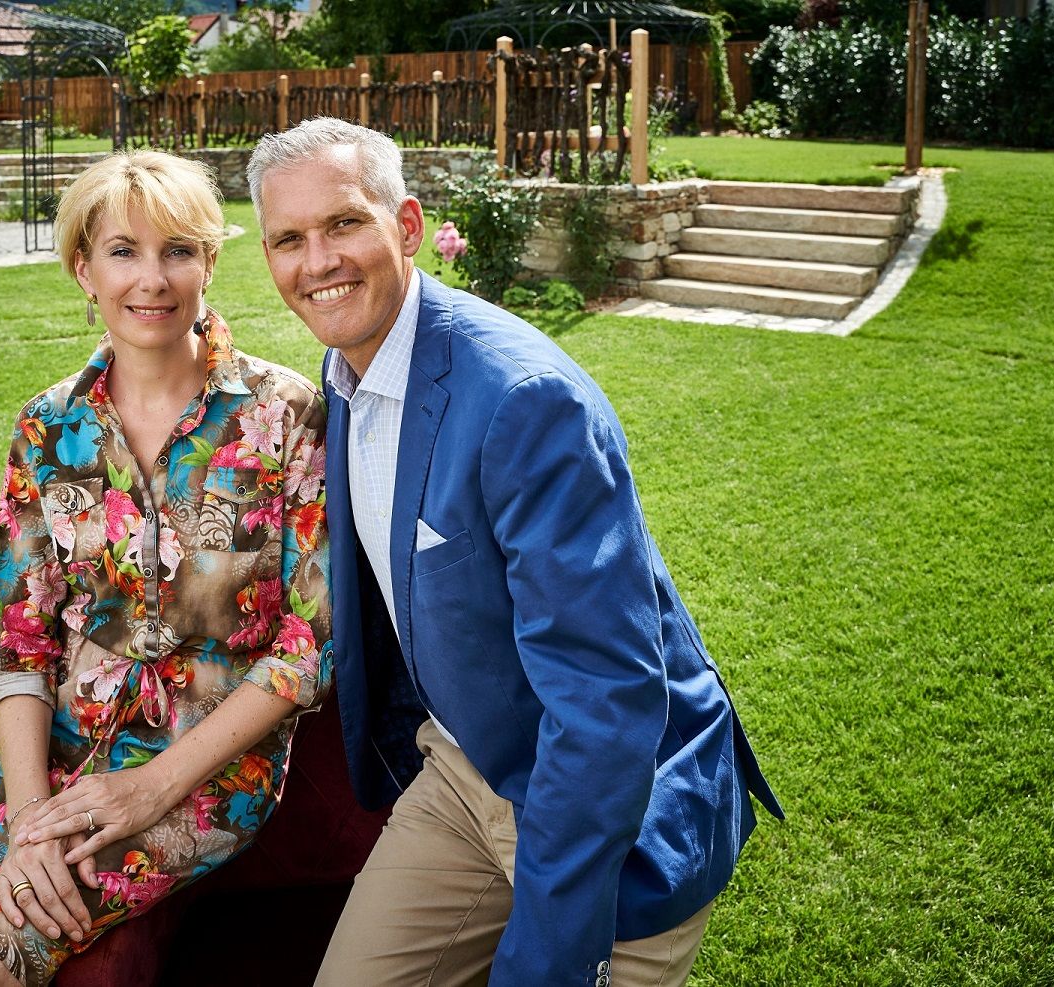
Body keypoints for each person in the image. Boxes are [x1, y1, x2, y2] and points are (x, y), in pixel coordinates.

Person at [248, 117, 785, 987]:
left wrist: (547, 957)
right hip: (463, 773)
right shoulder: (346, 372)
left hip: (607, 813)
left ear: (409, 226)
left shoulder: (522, 402)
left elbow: (606, 706)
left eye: (344, 223)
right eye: (289, 239)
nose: (318, 262)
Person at [0, 149, 332, 987]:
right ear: (82, 270)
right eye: (122, 251)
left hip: (206, 766)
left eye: (178, 250)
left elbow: (308, 642)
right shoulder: (46, 428)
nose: (153, 279)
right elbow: (20, 641)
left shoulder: (284, 415)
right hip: (59, 756)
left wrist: (149, 789)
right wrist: (29, 817)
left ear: (210, 261)